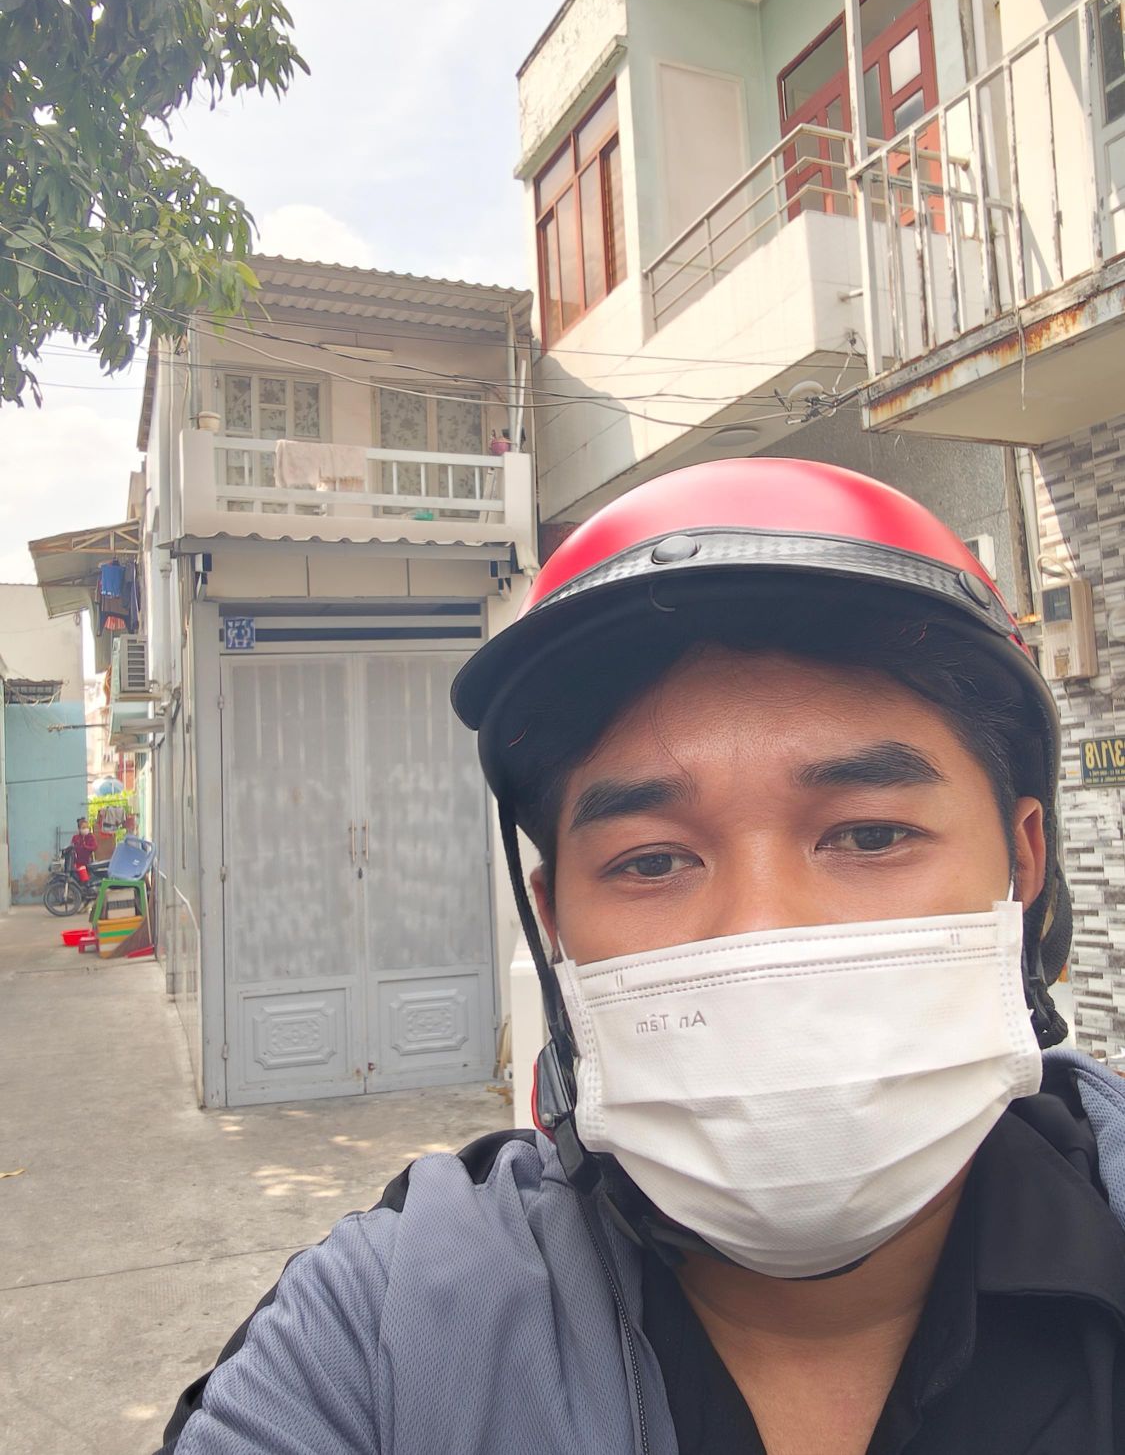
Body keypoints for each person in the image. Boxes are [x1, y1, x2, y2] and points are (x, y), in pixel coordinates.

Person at [157, 460, 1125, 1455]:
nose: (759, 934)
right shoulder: (381, 1336)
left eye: (871, 836)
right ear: (555, 922)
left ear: (1023, 863)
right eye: (652, 860)